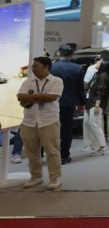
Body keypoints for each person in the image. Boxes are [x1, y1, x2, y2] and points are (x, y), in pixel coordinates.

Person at [16, 57, 64, 191]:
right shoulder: (28, 81)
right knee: (31, 151)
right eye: (33, 66)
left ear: (46, 67)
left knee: (52, 151)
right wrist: (41, 97)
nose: (33, 68)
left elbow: (52, 97)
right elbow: (20, 96)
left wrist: (30, 98)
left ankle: (55, 178)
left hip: (49, 120)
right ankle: (36, 177)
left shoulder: (56, 81)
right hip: (29, 121)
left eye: (36, 66)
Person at [49, 44, 84, 164]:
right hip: (69, 102)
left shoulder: (52, 67)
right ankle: (64, 156)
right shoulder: (77, 68)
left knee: (50, 128)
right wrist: (82, 103)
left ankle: (49, 154)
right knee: (66, 130)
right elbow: (80, 88)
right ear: (72, 54)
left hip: (52, 101)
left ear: (59, 53)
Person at [83, 51, 109, 144]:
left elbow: (86, 82)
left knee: (99, 116)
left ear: (99, 58)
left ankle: (100, 136)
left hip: (96, 96)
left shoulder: (91, 68)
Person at [84, 61, 109, 157]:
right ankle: (96, 146)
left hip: (95, 103)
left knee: (94, 124)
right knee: (90, 123)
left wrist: (97, 105)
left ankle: (103, 147)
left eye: (99, 62)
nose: (96, 64)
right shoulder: (98, 74)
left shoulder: (103, 76)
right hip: (91, 102)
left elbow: (101, 91)